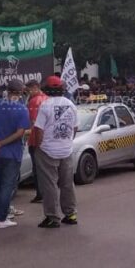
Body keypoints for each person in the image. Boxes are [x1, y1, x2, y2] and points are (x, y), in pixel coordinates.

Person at [0, 79, 30, 229]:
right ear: (20, 91)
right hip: (12, 153)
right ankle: (2, 219)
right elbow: (20, 132)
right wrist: (1, 143)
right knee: (7, 186)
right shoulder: (21, 109)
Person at [32, 75, 78, 228]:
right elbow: (75, 127)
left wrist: (39, 145)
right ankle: (70, 214)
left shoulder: (45, 106)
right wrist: (67, 141)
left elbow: (39, 130)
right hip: (66, 150)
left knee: (49, 184)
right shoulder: (71, 104)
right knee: (67, 183)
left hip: (48, 150)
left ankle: (52, 217)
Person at [25, 79, 48, 203]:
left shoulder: (34, 101)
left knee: (38, 168)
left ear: (35, 87)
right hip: (47, 140)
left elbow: (33, 123)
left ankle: (41, 193)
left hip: (35, 140)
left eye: (29, 90)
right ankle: (47, 192)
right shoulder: (47, 98)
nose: (28, 93)